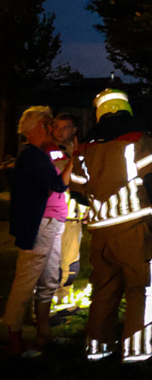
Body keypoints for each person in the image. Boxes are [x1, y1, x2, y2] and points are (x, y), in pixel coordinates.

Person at [69, 88, 152, 363]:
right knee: (142, 288)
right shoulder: (139, 140)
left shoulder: (84, 149)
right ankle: (138, 352)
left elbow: (77, 193)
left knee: (104, 290)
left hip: (101, 233)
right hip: (134, 229)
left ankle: (97, 349)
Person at [4, 106, 72, 357]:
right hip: (39, 226)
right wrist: (74, 162)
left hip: (50, 224)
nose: (50, 129)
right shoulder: (32, 155)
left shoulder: (38, 154)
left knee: (49, 280)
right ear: (32, 129)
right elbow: (57, 184)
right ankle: (15, 342)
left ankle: (44, 335)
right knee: (25, 283)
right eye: (46, 125)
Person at [51, 113, 89, 314]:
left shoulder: (83, 150)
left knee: (71, 260)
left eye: (64, 127)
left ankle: (64, 298)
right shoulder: (52, 152)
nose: (59, 131)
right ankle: (47, 302)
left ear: (74, 129)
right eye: (56, 127)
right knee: (53, 261)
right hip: (56, 215)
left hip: (75, 216)